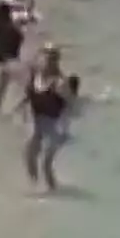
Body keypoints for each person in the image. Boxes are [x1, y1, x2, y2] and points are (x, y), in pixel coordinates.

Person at [14, 44, 74, 192]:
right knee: (28, 153)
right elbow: (29, 95)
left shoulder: (60, 83)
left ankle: (53, 192)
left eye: (53, 57)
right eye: (47, 56)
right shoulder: (35, 75)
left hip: (55, 124)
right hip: (37, 120)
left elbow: (70, 106)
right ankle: (34, 186)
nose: (49, 60)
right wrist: (19, 108)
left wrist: (65, 128)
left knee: (46, 163)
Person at [0, 0, 36, 115]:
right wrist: (15, 25)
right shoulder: (5, 5)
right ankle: (19, 113)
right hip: (4, 50)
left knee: (3, 81)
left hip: (13, 49)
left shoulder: (26, 3)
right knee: (28, 84)